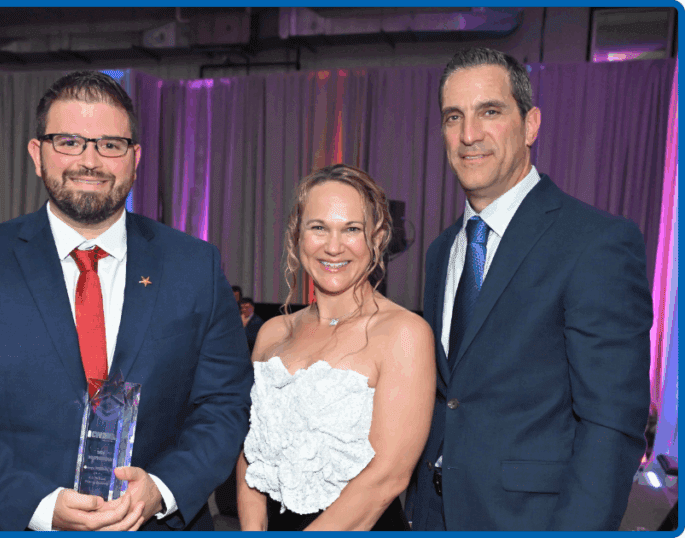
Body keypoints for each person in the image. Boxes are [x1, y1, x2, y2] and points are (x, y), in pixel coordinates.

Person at [0, 71, 253, 531]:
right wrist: (39, 506)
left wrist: (163, 489)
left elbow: (225, 405)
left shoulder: (195, 266)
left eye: (110, 144)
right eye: (69, 141)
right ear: (37, 154)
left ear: (134, 158)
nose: (90, 161)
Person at [405, 47, 652, 531]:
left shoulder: (595, 241)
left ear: (531, 124)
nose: (469, 134)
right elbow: (452, 397)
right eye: (454, 116)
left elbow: (611, 426)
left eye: (489, 112)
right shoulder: (441, 251)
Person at [236, 164, 435, 531]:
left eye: (351, 229)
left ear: (376, 238)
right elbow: (252, 454)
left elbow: (386, 478)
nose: (332, 246)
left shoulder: (403, 333)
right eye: (319, 227)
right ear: (298, 235)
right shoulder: (272, 333)